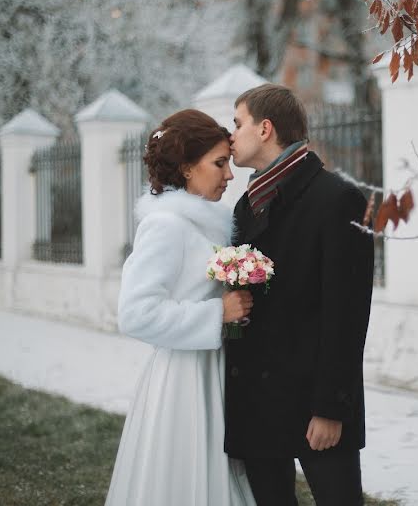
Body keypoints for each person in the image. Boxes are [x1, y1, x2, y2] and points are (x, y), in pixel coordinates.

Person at [224, 84, 375, 506]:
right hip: (258, 401)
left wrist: (331, 408)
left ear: (265, 128)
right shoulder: (246, 205)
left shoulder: (338, 199)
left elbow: (346, 316)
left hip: (316, 406)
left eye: (238, 124)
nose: (230, 135)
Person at [105, 109, 256, 506]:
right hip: (184, 380)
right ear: (188, 168)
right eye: (219, 164)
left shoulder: (209, 224)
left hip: (216, 370)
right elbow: (135, 313)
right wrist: (216, 315)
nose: (229, 175)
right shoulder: (166, 225)